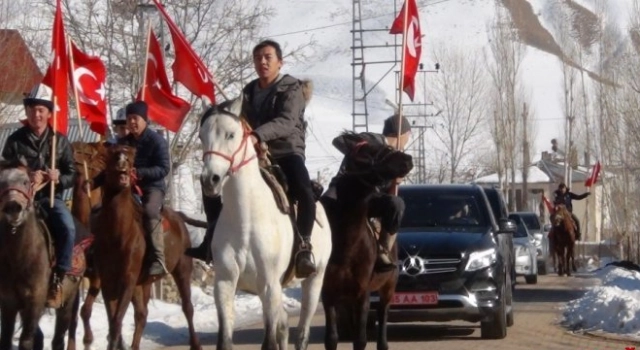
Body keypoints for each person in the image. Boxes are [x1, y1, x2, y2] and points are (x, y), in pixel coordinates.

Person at [186, 39, 318, 279]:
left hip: (286, 150)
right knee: (212, 182)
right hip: (251, 153)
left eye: (268, 57)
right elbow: (237, 117)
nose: (263, 62)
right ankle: (211, 239)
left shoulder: (291, 88)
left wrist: (257, 135)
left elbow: (287, 122)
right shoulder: (248, 91)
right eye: (258, 58)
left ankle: (304, 247)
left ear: (280, 61)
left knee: (303, 189)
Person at [1, 83, 77, 308]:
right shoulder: (15, 141)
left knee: (68, 227)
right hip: (20, 201)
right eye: (33, 109)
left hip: (51, 199)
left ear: (49, 113)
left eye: (42, 109)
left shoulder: (60, 141)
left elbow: (73, 174)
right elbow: (4, 170)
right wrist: (25, 175)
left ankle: (58, 278)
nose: (37, 114)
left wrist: (57, 177)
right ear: (27, 112)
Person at [320, 114, 411, 273]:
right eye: (409, 136)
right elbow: (339, 141)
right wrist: (369, 153)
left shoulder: (394, 158)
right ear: (402, 134)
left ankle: (382, 251)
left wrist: (393, 181)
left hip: (369, 198)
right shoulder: (374, 140)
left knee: (396, 204)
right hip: (344, 192)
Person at [91, 101, 170, 277]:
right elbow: (111, 168)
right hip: (127, 189)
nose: (132, 122)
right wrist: (93, 183)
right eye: (129, 119)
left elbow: (164, 168)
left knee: (149, 211)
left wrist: (140, 173)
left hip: (152, 188)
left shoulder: (157, 141)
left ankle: (158, 258)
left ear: (144, 120)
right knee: (100, 210)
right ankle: (94, 253)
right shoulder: (122, 143)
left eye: (135, 118)